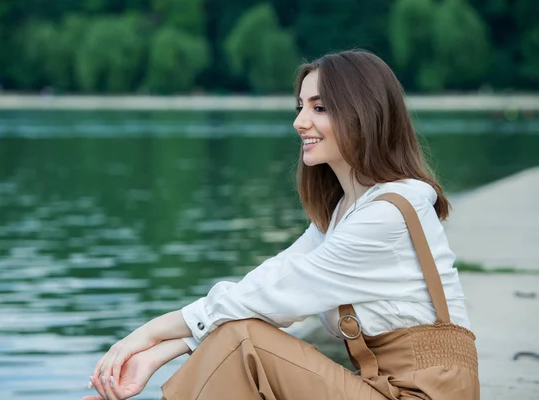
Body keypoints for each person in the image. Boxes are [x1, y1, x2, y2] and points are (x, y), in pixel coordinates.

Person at [83, 50, 479, 400]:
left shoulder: (387, 215)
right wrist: (159, 352)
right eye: (300, 107)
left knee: (243, 341)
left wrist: (146, 335)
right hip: (379, 389)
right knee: (235, 335)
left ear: (363, 115)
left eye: (319, 108)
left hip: (420, 395)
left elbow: (276, 293)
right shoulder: (346, 213)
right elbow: (269, 284)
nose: (300, 122)